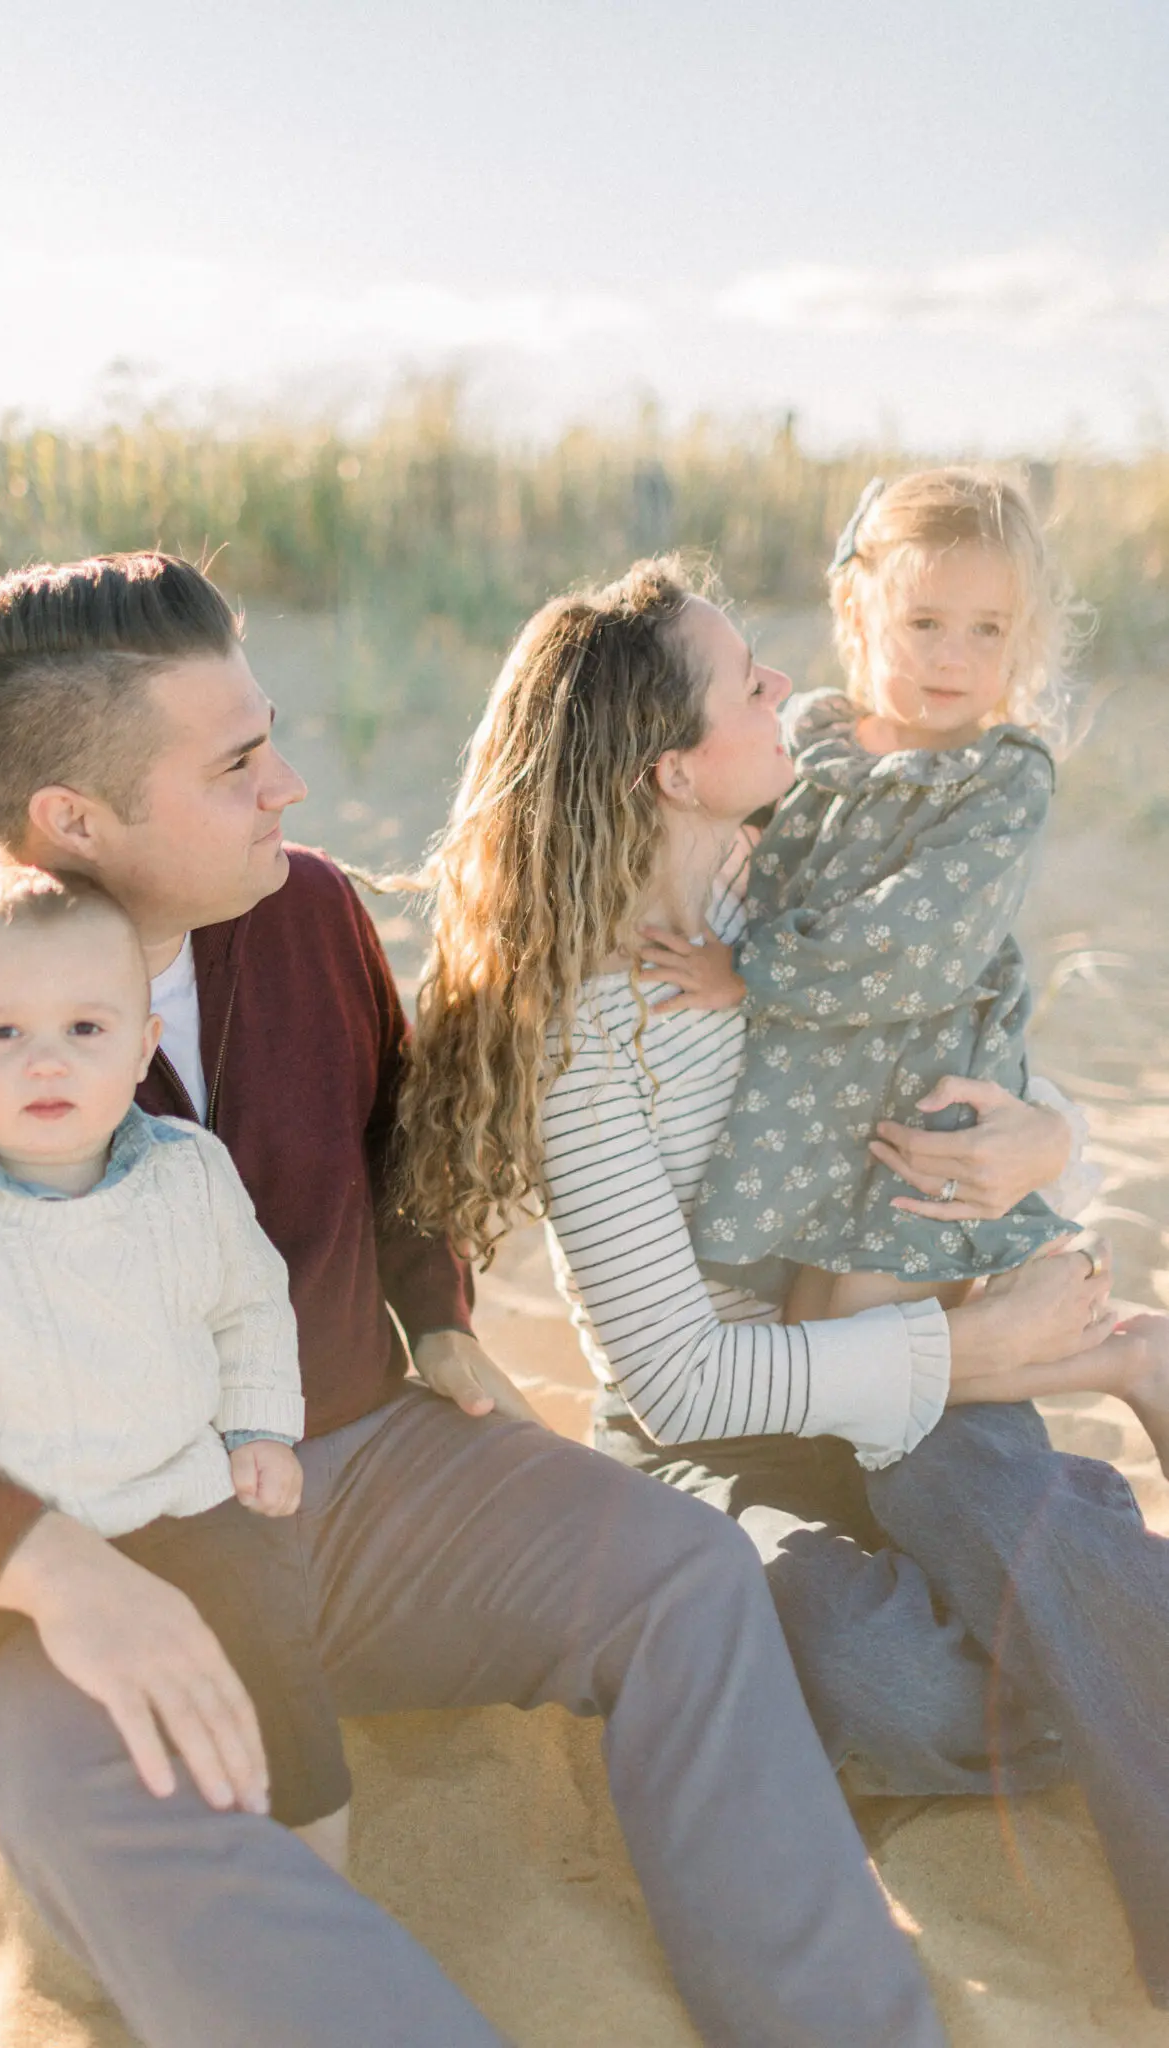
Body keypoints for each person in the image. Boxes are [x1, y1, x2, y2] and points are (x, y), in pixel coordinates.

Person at [0, 552, 947, 2048]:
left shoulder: (306, 912)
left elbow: (397, 1143)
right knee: (127, 1825)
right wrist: (52, 1570)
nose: (285, 785)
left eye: (269, 737)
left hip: (359, 1471)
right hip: (67, 1580)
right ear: (74, 822)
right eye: (234, 765)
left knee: (687, 1574)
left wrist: (441, 1312)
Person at [395, 553, 1169, 2006]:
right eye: (749, 681)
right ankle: (1108, 1636)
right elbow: (679, 1380)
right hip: (722, 1437)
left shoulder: (804, 894)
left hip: (900, 1335)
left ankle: (1099, 1630)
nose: (787, 686)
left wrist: (1050, 1134)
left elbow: (964, 1048)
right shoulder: (584, 1039)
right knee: (880, 1671)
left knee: (1007, 1521)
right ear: (676, 770)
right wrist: (972, 1358)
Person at [0, 866, 351, 2047]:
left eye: (85, 1030)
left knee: (277, 1646)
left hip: (172, 1490)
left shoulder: (187, 1173)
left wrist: (260, 1423)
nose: (45, 1061)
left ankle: (324, 1875)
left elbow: (247, 1301)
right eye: (2, 1032)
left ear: (144, 1043)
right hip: (7, 1532)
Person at [682, 469, 1079, 1316]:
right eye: (923, 622)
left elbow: (917, 943)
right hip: (802, 1104)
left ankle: (1110, 1350)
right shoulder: (810, 739)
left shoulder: (1001, 778)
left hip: (921, 1109)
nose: (951, 656)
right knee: (802, 1327)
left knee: (869, 1322)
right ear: (858, 613)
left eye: (986, 629)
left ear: (1020, 639)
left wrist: (748, 972)